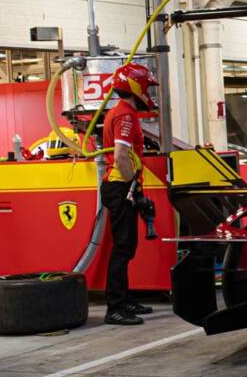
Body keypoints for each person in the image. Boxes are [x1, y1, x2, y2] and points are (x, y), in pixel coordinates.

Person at [101, 63, 159, 325]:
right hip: (121, 186)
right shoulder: (125, 115)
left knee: (127, 247)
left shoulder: (121, 111)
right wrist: (133, 192)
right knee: (123, 248)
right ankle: (115, 307)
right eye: (146, 86)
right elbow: (122, 157)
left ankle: (124, 300)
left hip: (123, 186)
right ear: (135, 86)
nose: (149, 92)